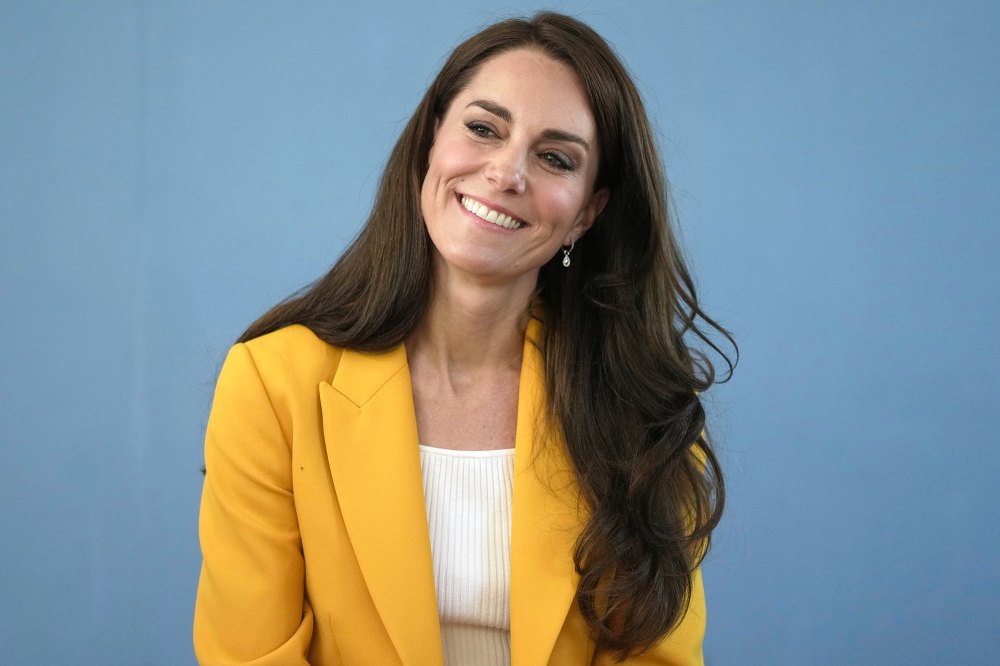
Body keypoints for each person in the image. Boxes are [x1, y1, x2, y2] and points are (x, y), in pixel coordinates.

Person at [194, 11, 734, 666]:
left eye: (556, 158)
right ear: (430, 143)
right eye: (483, 128)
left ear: (586, 214)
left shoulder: (644, 414)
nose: (507, 173)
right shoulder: (272, 383)